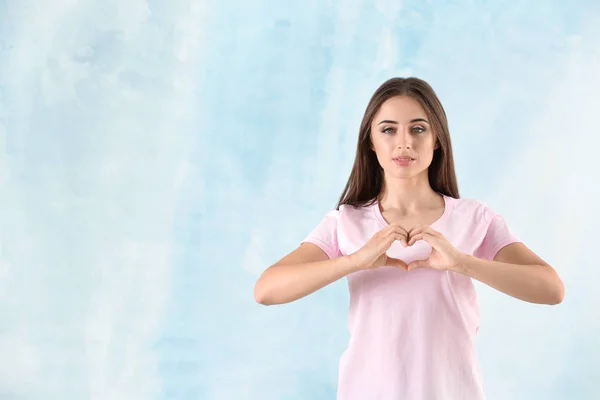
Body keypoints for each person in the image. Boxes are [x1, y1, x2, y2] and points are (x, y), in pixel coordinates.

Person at [253, 77, 565, 400]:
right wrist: (354, 261)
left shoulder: (474, 219)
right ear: (371, 142)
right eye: (389, 130)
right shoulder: (346, 222)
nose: (404, 143)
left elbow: (551, 288)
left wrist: (462, 263)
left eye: (418, 129)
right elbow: (266, 289)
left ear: (437, 140)